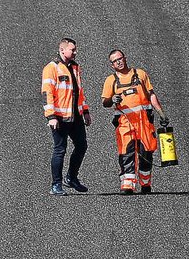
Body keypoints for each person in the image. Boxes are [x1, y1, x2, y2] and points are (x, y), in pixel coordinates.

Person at [101, 49, 167, 193]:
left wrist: (161, 113)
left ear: (125, 58)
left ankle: (145, 183)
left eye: (120, 58)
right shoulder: (111, 80)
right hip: (124, 122)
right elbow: (104, 102)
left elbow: (151, 95)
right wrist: (112, 100)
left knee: (147, 151)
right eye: (115, 61)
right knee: (126, 152)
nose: (118, 62)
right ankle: (127, 185)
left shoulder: (140, 74)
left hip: (144, 121)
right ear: (111, 65)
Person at [44, 38, 91, 195]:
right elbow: (47, 93)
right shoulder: (52, 68)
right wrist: (51, 116)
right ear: (62, 50)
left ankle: (71, 178)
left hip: (75, 116)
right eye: (73, 49)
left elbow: (79, 91)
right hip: (59, 117)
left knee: (82, 145)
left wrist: (85, 111)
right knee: (60, 149)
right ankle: (56, 185)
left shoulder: (75, 67)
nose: (75, 52)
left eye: (75, 49)